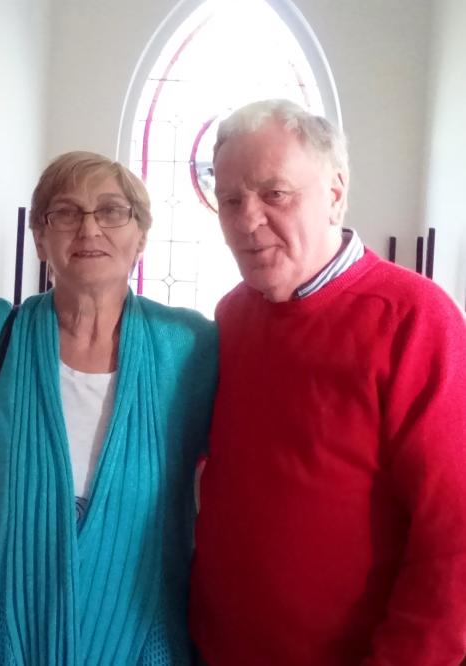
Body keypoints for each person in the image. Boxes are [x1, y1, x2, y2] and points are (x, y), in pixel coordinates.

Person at [189, 99, 466, 665]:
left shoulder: (414, 318)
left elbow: (454, 538)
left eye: (275, 194)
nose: (248, 220)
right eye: (231, 201)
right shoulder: (231, 315)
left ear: (336, 191)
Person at [0, 151, 218, 664]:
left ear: (140, 235)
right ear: (40, 237)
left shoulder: (190, 348)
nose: (89, 229)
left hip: (145, 635)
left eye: (112, 211)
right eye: (66, 213)